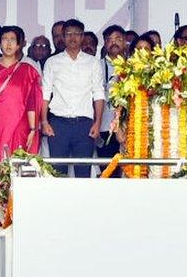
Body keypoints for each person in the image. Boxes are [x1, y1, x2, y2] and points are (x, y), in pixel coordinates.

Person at [41, 19, 104, 178]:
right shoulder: (52, 62)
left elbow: (98, 93)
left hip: (84, 124)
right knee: (57, 172)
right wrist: (44, 121)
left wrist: (97, 123)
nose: (73, 37)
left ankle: (82, 203)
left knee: (83, 172)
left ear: (82, 37)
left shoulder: (93, 63)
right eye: (68, 34)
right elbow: (45, 93)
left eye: (77, 33)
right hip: (58, 124)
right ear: (62, 37)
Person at [0, 26, 41, 163]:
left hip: (20, 126)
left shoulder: (27, 70)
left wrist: (32, 130)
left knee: (18, 166)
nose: (8, 43)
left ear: (19, 45)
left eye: (12, 40)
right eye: (5, 39)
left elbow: (31, 103)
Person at [98, 25, 126, 172]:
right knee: (108, 171)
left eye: (118, 39)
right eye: (109, 39)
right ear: (104, 43)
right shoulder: (97, 66)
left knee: (130, 170)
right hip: (105, 127)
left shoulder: (134, 65)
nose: (113, 42)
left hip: (129, 128)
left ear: (125, 41)